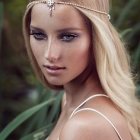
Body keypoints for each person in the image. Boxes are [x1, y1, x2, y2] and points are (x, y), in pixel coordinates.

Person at [23, 0, 140, 140]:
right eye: (38, 35)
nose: (49, 54)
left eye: (67, 37)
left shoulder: (84, 127)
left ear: (97, 37)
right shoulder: (69, 101)